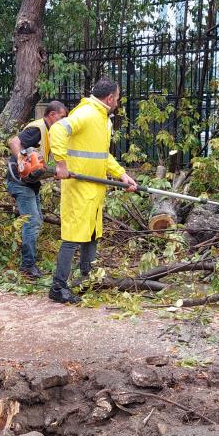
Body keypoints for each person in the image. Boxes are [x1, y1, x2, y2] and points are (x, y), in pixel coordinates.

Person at [48, 79, 137, 304]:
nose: (118, 102)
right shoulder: (87, 113)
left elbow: (102, 155)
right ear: (110, 98)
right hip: (78, 187)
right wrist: (60, 163)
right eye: (117, 98)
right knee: (72, 237)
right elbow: (58, 129)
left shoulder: (102, 119)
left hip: (94, 187)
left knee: (91, 233)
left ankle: (87, 278)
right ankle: (58, 287)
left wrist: (122, 174)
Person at [6, 101, 68, 279]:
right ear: (51, 115)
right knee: (32, 222)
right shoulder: (38, 129)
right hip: (20, 182)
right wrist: (22, 161)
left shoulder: (49, 133)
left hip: (31, 183)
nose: (64, 122)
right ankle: (27, 266)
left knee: (37, 221)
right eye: (62, 117)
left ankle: (30, 260)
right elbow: (14, 142)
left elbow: (39, 164)